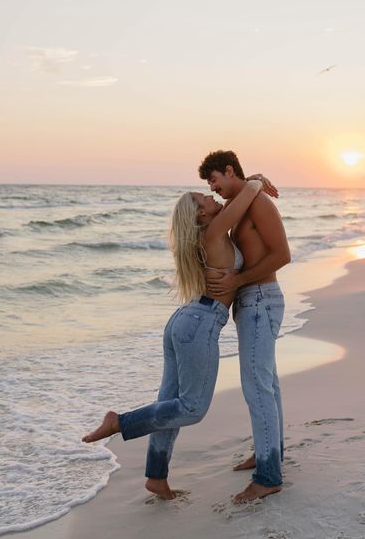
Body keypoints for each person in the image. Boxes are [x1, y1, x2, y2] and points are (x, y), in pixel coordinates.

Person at [82, 178, 268, 500]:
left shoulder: (207, 236)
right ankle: (119, 422)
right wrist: (256, 181)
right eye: (203, 198)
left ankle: (156, 478)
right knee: (192, 408)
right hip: (200, 325)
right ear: (199, 216)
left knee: (169, 405)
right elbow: (248, 195)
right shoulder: (212, 232)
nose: (211, 198)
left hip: (184, 322)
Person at [199, 150, 291, 504]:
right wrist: (252, 180)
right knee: (267, 381)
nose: (213, 188)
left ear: (227, 171)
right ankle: (270, 451)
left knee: (257, 386)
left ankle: (268, 477)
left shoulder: (259, 205)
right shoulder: (242, 204)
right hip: (252, 302)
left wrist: (239, 281)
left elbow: (282, 255)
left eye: (214, 181)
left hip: (261, 299)